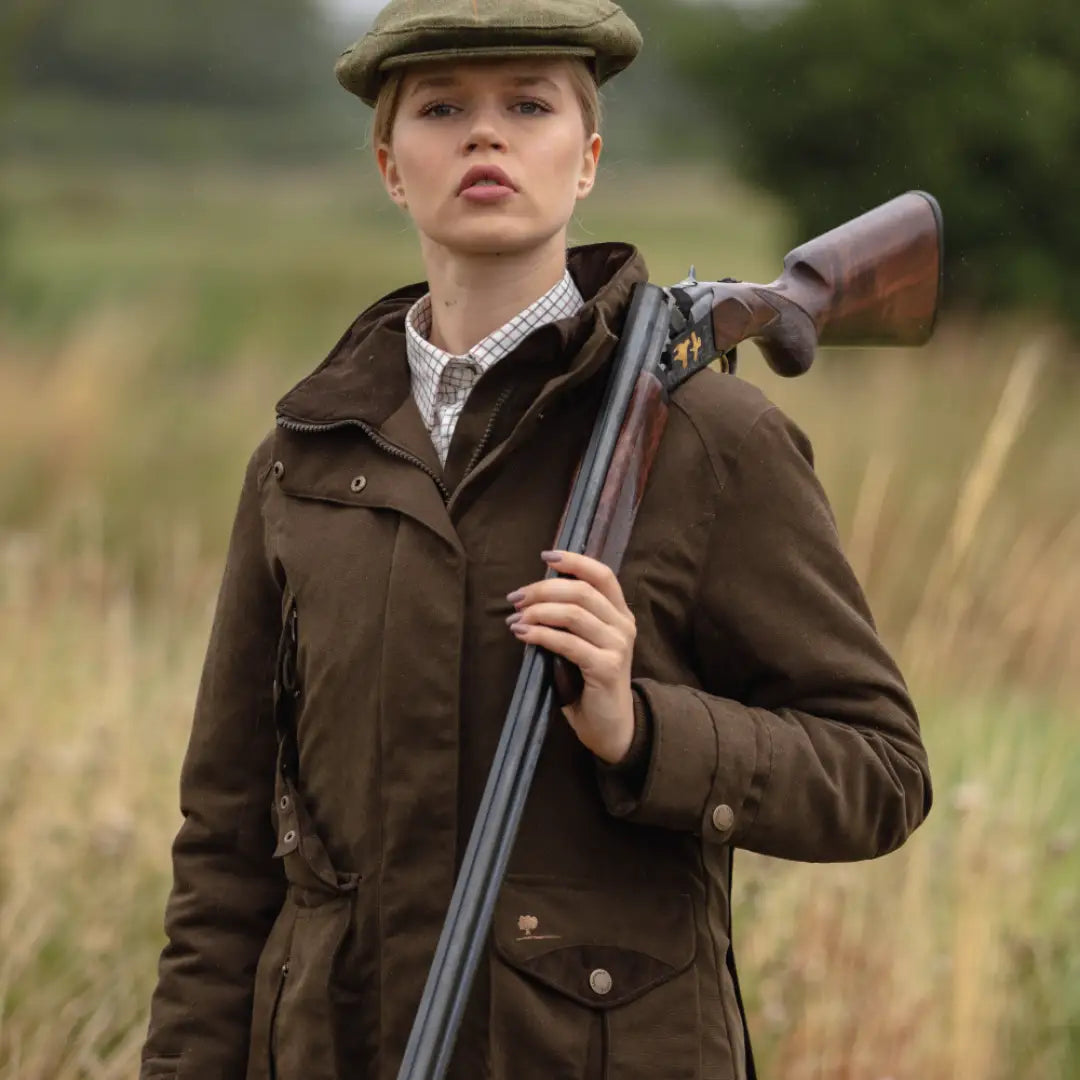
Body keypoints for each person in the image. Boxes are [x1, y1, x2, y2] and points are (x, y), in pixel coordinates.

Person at [140, 2, 932, 1078]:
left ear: (588, 156)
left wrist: (640, 727)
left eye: (527, 103)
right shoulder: (307, 456)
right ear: (389, 163)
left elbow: (880, 771)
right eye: (441, 108)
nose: (484, 134)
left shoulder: (711, 438)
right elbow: (227, 851)